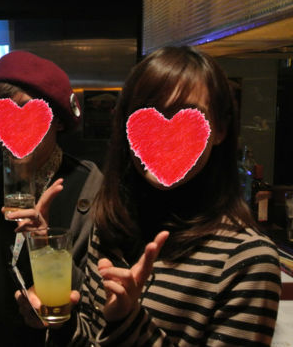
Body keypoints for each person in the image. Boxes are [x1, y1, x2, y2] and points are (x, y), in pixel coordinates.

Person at [16, 46, 282, 346]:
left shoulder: (247, 260)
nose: (163, 140)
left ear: (219, 130)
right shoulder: (111, 225)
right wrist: (59, 320)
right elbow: (89, 337)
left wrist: (129, 321)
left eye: (188, 116)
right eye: (146, 118)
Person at [0, 51, 103, 347]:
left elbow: (98, 294)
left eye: (29, 112)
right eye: (2, 114)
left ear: (58, 121)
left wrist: (47, 246)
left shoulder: (90, 188)